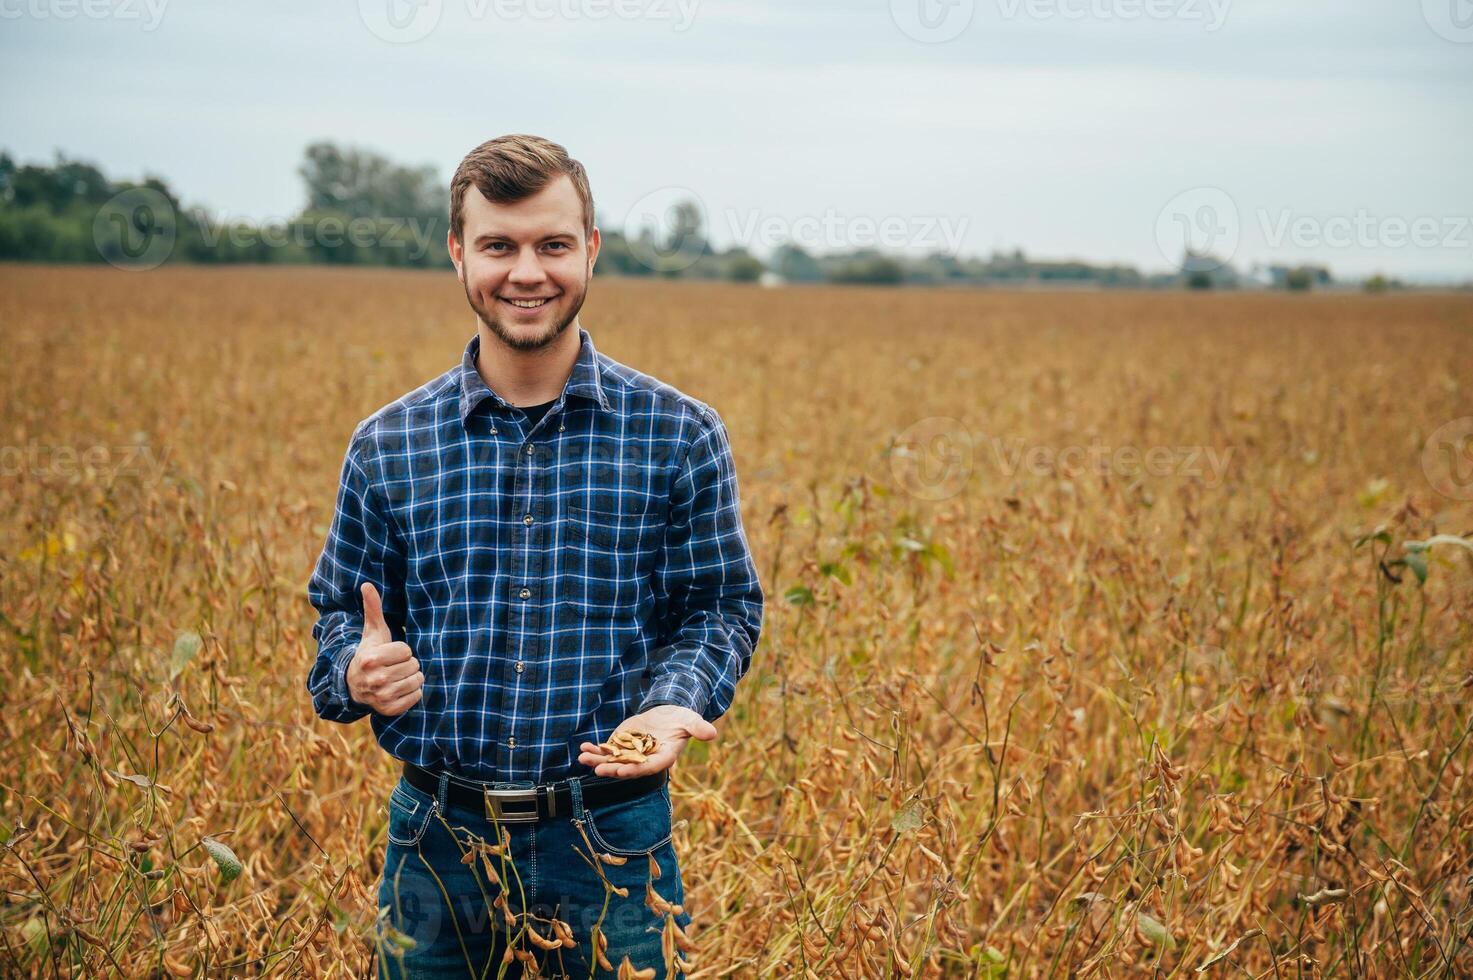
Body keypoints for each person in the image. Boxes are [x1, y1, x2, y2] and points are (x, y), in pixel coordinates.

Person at [305, 134, 764, 978]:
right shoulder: (388, 445)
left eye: (552, 244)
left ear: (589, 250)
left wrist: (670, 704)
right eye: (498, 246)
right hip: (437, 841)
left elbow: (719, 607)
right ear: (457, 253)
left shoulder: (679, 434)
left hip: (611, 838)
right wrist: (353, 674)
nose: (527, 272)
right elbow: (341, 617)